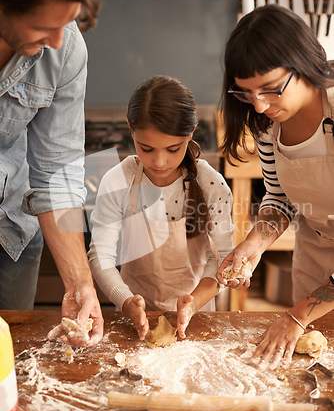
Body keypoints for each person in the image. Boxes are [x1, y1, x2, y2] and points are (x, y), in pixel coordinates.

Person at [216, 4, 334, 369]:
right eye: (247, 93)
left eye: (270, 90)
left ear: (304, 65)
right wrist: (256, 242)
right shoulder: (268, 125)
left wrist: (297, 315)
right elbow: (280, 198)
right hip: (317, 255)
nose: (260, 104)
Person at [0, 0, 104, 346]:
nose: (58, 42)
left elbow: (56, 175)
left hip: (11, 231)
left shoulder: (65, 49)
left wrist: (80, 285)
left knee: (12, 365)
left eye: (66, 23)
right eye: (45, 26)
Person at [89, 75, 234, 339]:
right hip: (131, 320)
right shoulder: (118, 181)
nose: (159, 161)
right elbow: (102, 257)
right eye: (146, 148)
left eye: (173, 148)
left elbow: (222, 257)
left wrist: (193, 303)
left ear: (191, 132)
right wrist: (125, 302)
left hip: (196, 319)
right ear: (130, 129)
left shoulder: (210, 183)